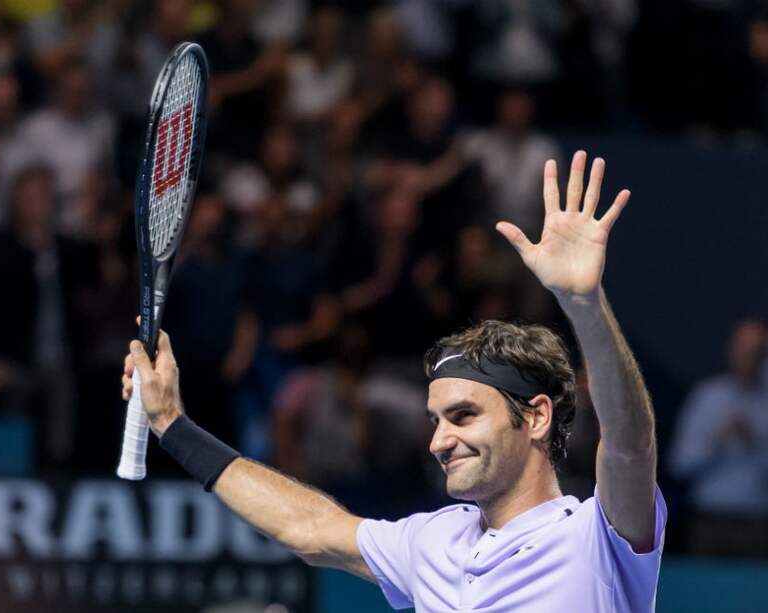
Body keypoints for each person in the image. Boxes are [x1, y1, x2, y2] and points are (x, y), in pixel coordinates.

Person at [119, 151, 666, 612]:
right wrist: (173, 424)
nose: (439, 441)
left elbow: (630, 442)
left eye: (464, 415)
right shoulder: (431, 542)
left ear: (538, 416)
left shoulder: (599, 536)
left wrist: (583, 305)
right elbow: (310, 527)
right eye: (436, 419)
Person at [669, 319, 768, 557]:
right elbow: (679, 464)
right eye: (743, 349)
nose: (748, 358)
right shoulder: (706, 398)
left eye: (756, 351)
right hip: (709, 523)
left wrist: (755, 442)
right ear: (731, 351)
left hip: (757, 524)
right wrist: (716, 443)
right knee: (703, 593)